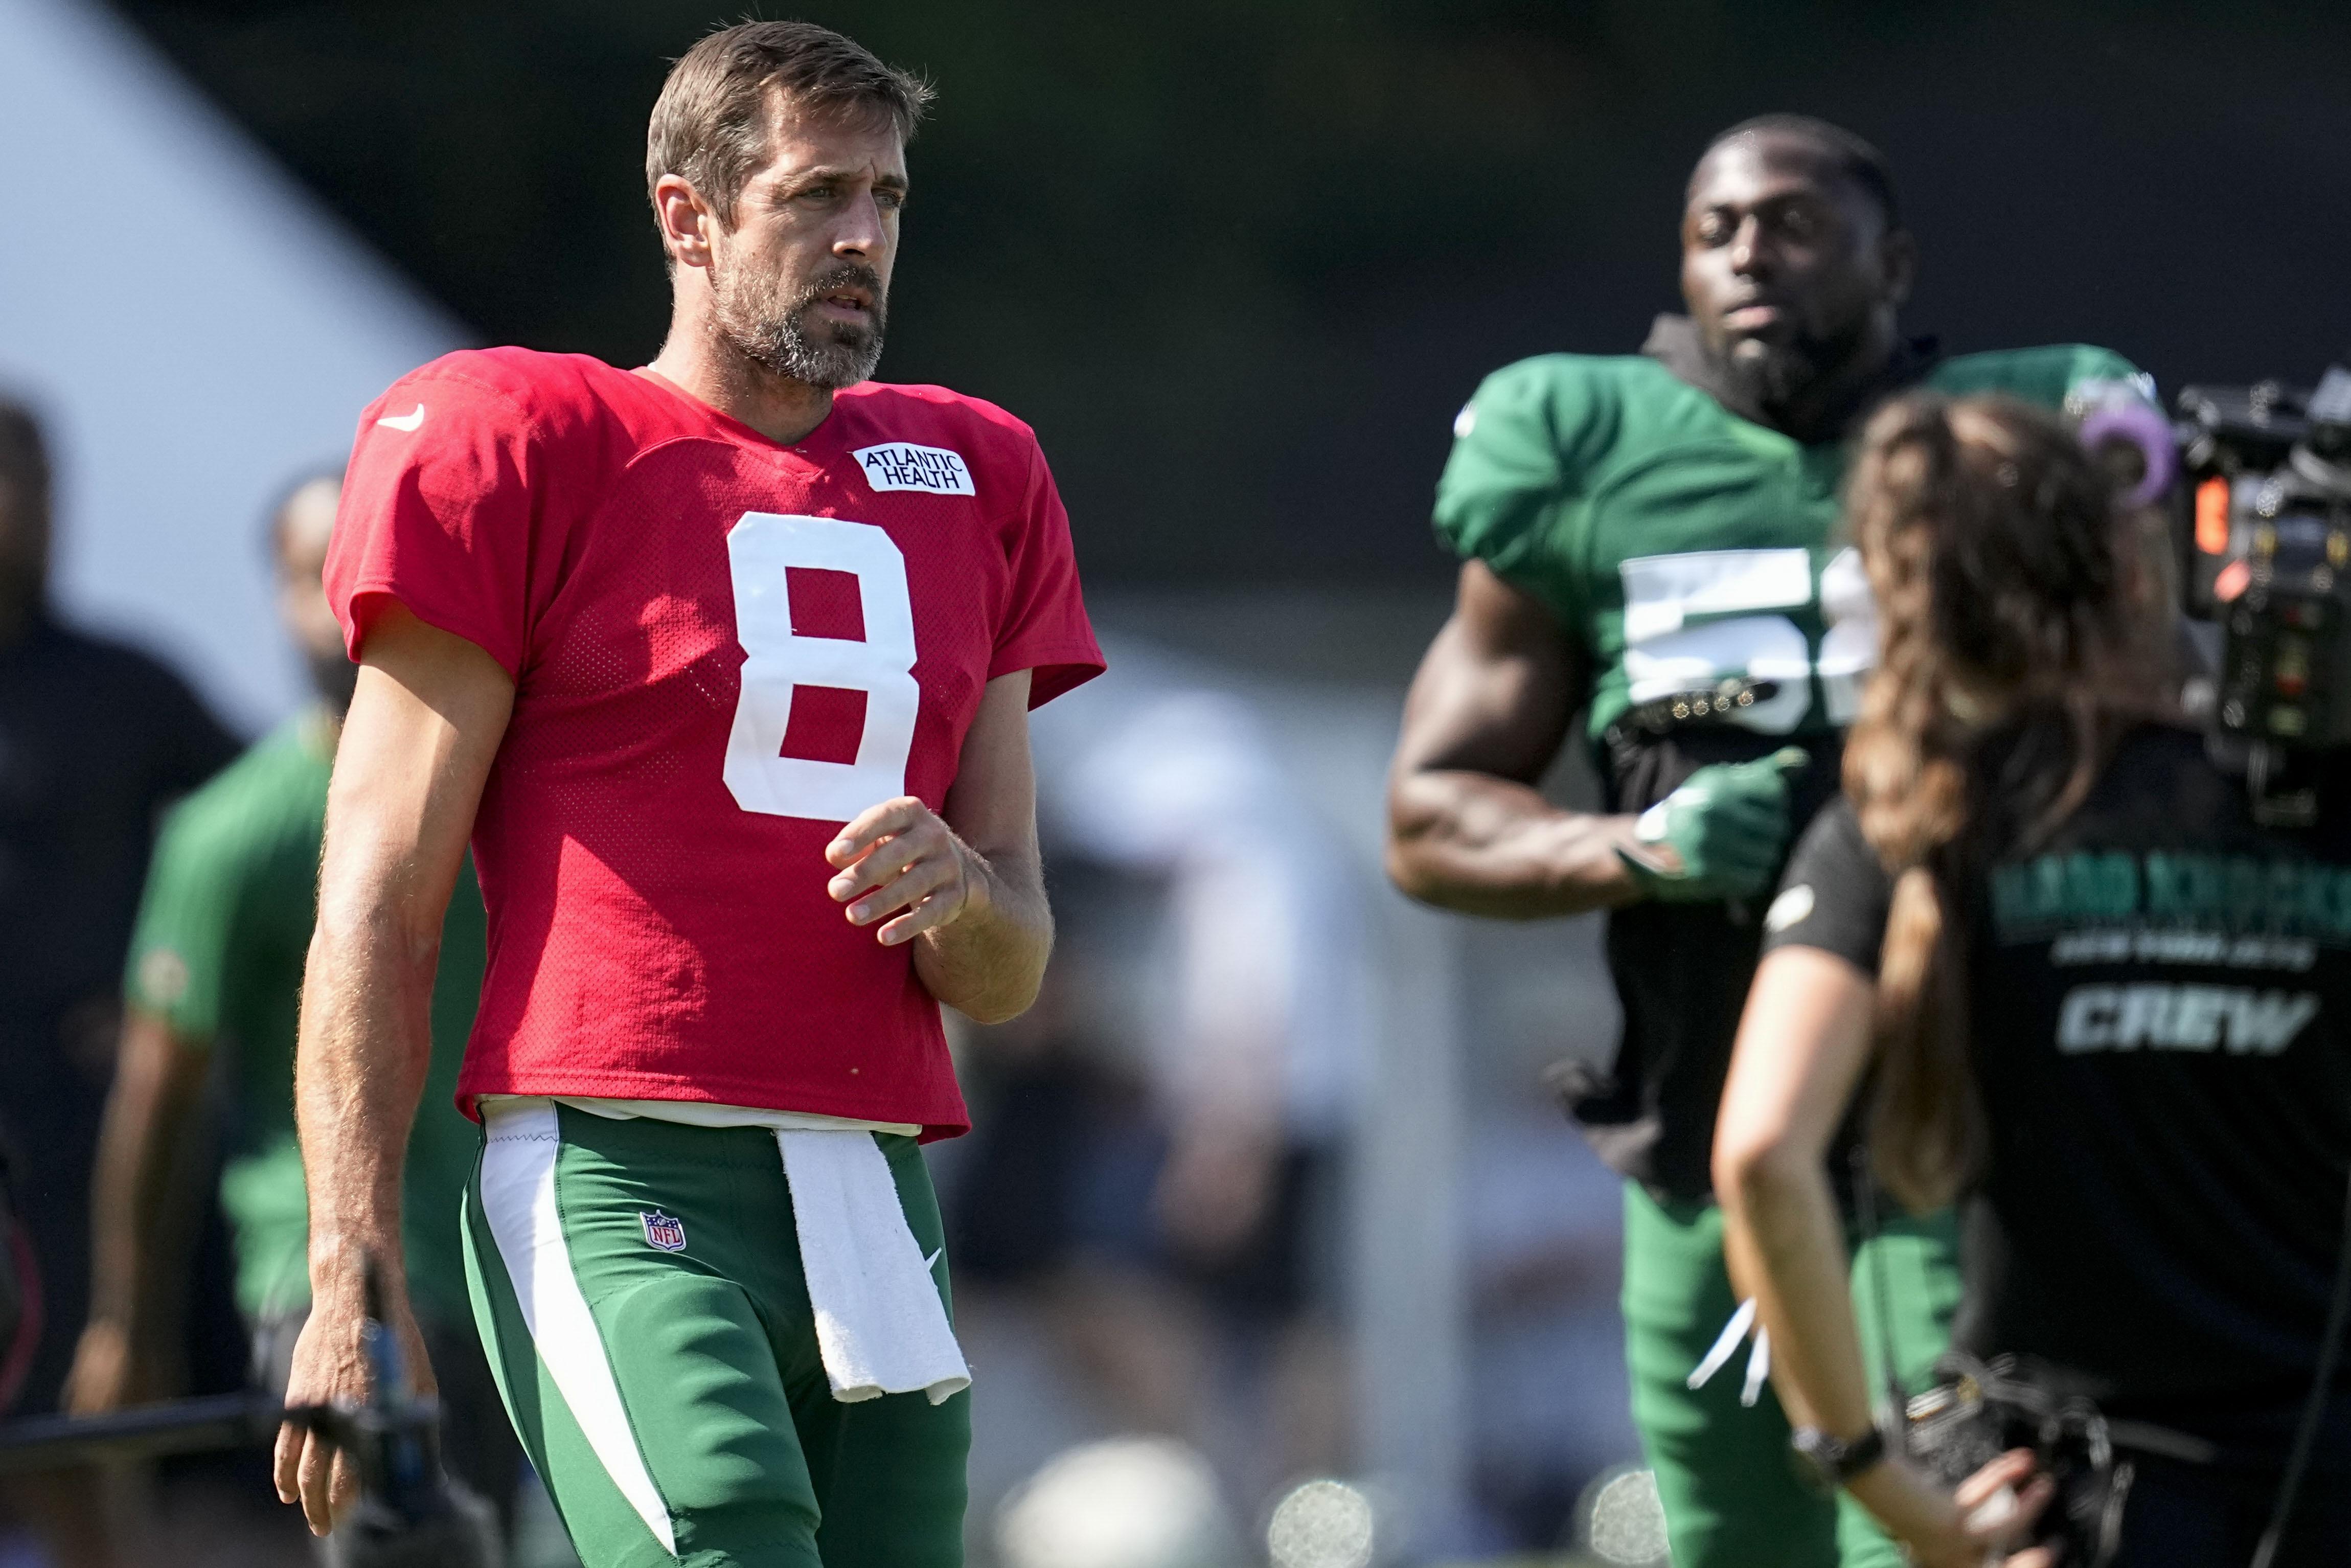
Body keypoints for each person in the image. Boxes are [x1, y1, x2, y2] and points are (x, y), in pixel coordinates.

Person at [272, 21, 1103, 1568]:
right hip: (618, 1161)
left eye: (890, 198)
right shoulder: (524, 436)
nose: (863, 236)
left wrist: (965, 896)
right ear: (689, 216)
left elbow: (1011, 963)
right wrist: (349, 1269)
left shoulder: (978, 475)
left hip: (875, 1180)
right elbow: (379, 885)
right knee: (723, 1533)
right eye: (816, 194)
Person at [1384, 114, 2145, 1567]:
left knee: (1952, 1538)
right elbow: (1427, 815)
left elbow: (2155, 706)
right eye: (1717, 227)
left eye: (1794, 225)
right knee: (1735, 1545)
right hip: (1703, 1133)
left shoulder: (2007, 448)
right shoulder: (1589, 447)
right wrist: (1639, 845)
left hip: (1964, 1134)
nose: (1749, 255)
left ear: (1895, 263)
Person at [1714, 393, 2351, 1566]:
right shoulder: (2310, 795)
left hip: (2061, 1516)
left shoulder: (1912, 819)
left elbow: (1759, 1151)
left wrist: (1872, 1473)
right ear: (2128, 562)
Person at [64, 473, 541, 1553]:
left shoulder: (528, 796)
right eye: (310, 574)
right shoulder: (235, 834)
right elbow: (158, 1096)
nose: (345, 604)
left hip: (525, 1275)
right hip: (325, 1285)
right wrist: (127, 1325)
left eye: (369, 566)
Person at [0, 399, 240, 1564]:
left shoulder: (123, 689)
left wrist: (164, 998)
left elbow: (262, 843)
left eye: (36, 481)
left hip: (79, 1133)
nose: (20, 508)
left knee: (77, 1436)